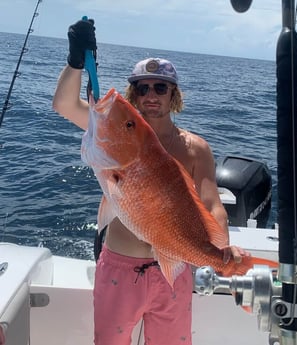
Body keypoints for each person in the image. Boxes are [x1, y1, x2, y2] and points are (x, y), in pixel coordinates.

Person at [53, 18, 249, 345]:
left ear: (173, 94)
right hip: (119, 266)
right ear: (135, 93)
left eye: (160, 87)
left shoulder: (195, 148)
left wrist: (221, 250)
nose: (151, 95)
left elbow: (212, 204)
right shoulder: (115, 131)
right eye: (142, 88)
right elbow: (64, 104)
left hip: (173, 274)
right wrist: (75, 61)